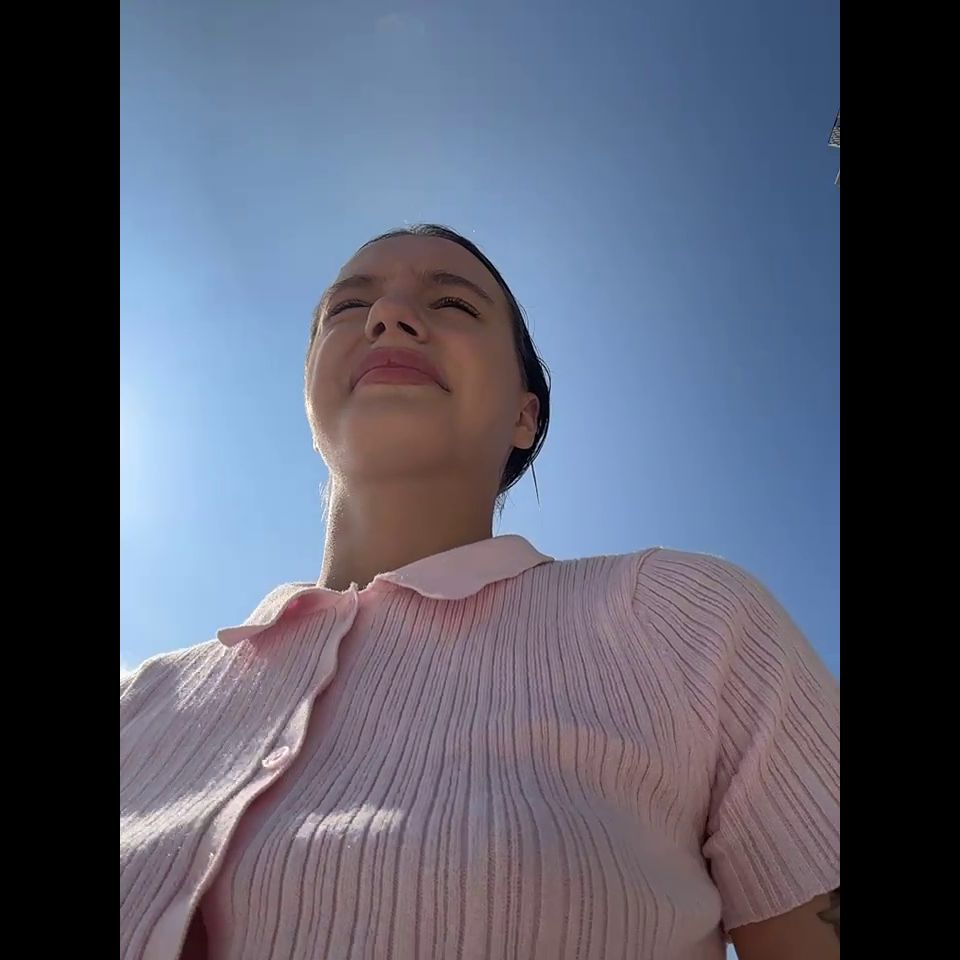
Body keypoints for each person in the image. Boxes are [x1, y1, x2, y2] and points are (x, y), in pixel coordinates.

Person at [120, 224, 840, 960]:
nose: (388, 317)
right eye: (348, 307)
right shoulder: (138, 699)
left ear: (525, 415)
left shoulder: (689, 621)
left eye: (453, 303)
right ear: (311, 392)